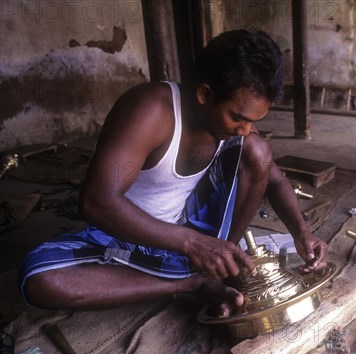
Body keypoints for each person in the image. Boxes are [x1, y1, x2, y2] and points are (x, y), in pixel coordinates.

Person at [19, 29, 328, 317]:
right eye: (238, 117)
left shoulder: (232, 123)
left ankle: (219, 263)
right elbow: (96, 202)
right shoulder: (150, 110)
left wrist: (301, 233)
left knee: (259, 151)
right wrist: (191, 243)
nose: (246, 129)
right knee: (39, 280)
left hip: (187, 233)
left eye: (251, 121)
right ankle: (189, 284)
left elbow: (271, 176)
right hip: (119, 236)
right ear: (205, 94)